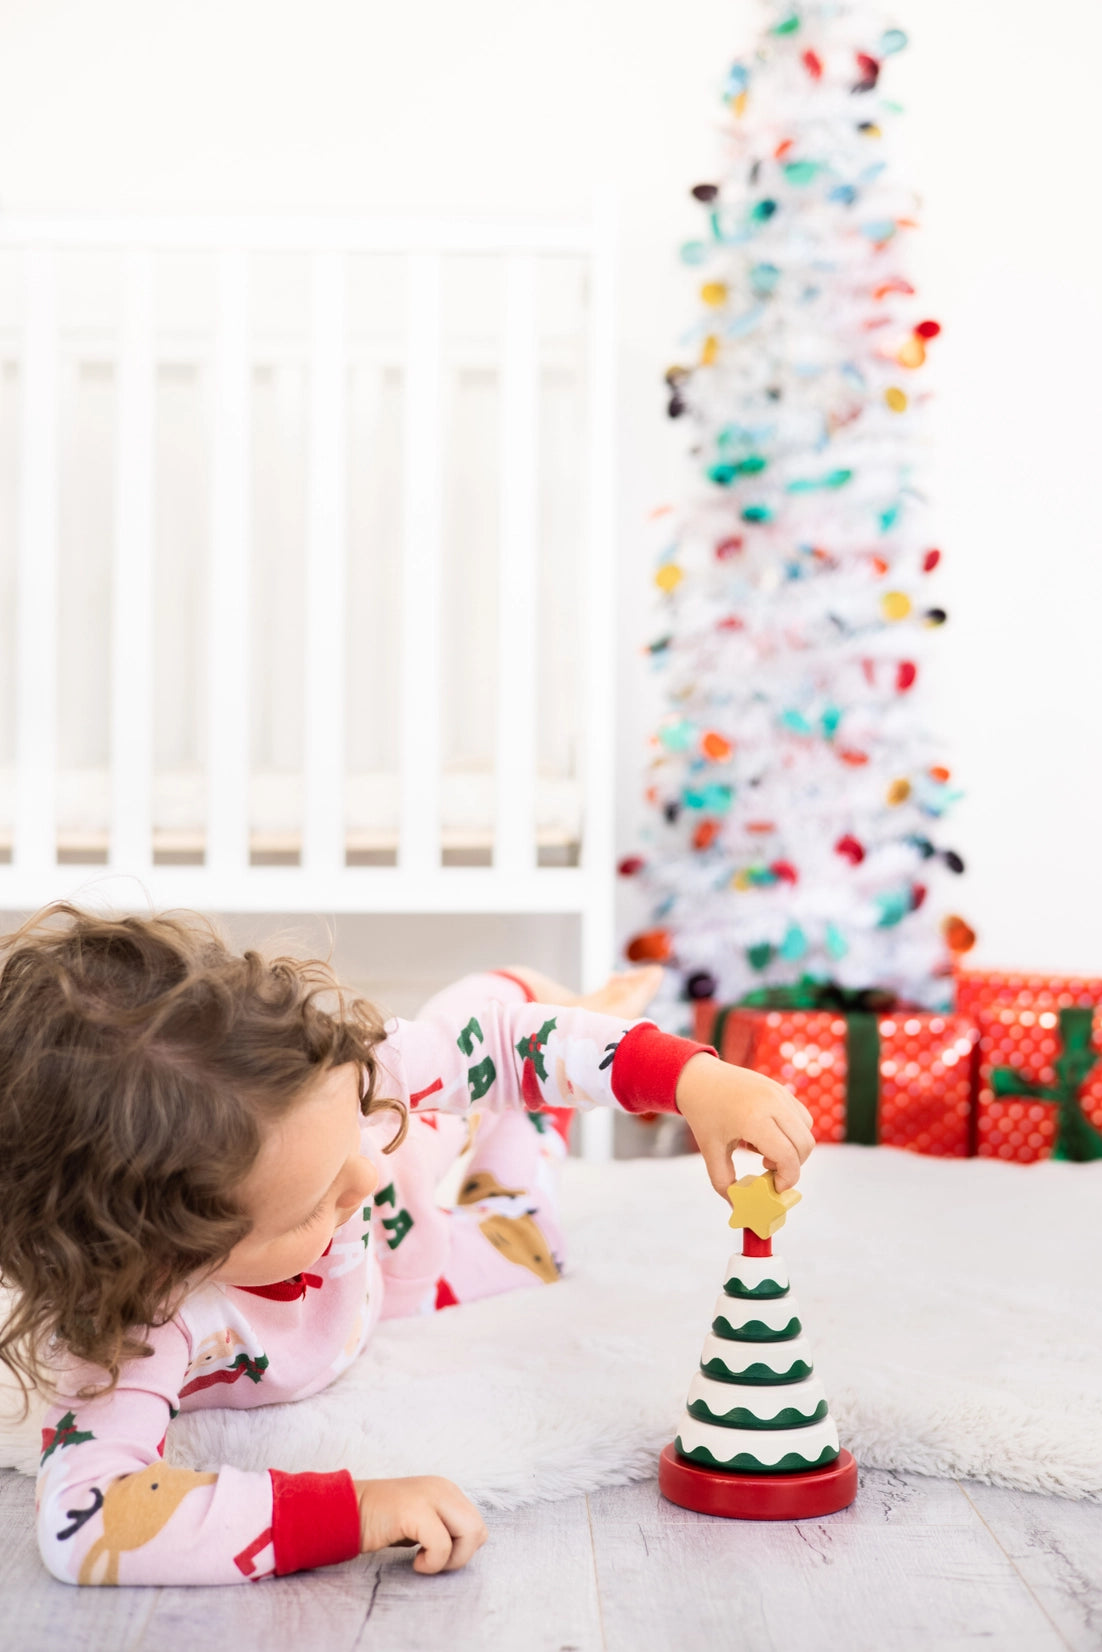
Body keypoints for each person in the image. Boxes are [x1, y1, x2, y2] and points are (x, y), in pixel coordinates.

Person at [0, 903, 814, 1587]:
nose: (360, 1179)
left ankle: (533, 1012)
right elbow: (88, 1519)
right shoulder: (133, 1328)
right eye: (308, 1206)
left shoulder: (352, 1096)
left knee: (478, 1031)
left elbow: (502, 1048)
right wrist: (351, 1510)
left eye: (338, 1137)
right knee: (532, 1244)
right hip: (398, 1276)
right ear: (162, 1261)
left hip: (406, 1173)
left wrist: (693, 1081)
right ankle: (522, 1112)